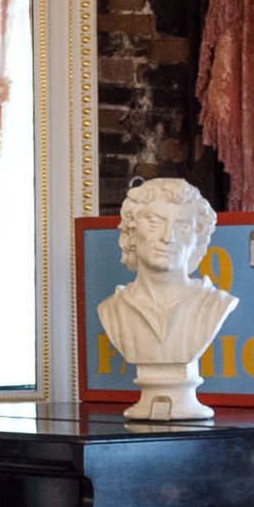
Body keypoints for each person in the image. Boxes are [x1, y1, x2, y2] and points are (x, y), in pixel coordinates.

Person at [96, 178, 237, 420]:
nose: (168, 237)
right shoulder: (113, 310)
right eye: (154, 222)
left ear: (197, 238)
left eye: (182, 226)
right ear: (132, 232)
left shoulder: (214, 304)